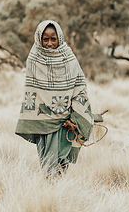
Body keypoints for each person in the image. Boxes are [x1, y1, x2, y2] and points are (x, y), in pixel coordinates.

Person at [15, 20, 97, 176]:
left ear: (60, 37)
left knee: (62, 161)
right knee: (46, 163)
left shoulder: (70, 58)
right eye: (45, 39)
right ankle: (50, 191)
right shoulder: (34, 59)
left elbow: (79, 89)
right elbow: (31, 93)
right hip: (42, 121)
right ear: (39, 39)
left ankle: (59, 191)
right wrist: (34, 124)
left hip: (65, 121)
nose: (50, 43)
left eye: (54, 38)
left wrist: (76, 117)